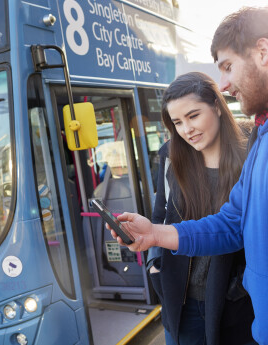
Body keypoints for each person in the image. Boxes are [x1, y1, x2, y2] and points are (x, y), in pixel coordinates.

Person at [107, 7, 268, 345]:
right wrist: (154, 242)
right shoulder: (257, 140)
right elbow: (230, 224)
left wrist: (240, 288)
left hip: (234, 310)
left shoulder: (250, 145)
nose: (224, 84)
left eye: (227, 67)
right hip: (185, 304)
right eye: (177, 123)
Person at [147, 72, 255, 345]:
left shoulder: (254, 152)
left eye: (193, 116)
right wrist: (154, 264)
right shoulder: (172, 157)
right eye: (178, 122)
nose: (187, 130)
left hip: (235, 304)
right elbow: (160, 215)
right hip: (180, 301)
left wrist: (240, 287)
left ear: (217, 106)